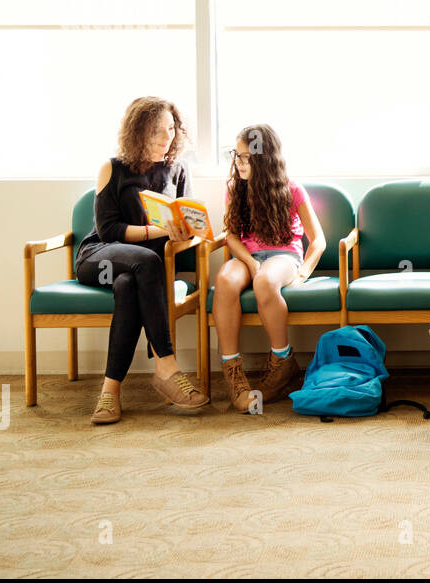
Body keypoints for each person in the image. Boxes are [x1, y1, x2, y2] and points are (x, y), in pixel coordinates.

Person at [76, 97, 210, 424]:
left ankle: (109, 392)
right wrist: (155, 231)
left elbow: (183, 223)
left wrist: (184, 233)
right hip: (100, 256)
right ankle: (166, 365)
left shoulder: (178, 169)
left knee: (128, 284)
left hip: (140, 270)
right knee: (142, 265)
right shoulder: (113, 168)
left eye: (170, 130)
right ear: (137, 134)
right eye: (156, 133)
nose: (166, 139)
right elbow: (108, 230)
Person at [211, 124, 324, 412]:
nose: (239, 163)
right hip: (247, 257)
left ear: (265, 158)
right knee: (224, 280)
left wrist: (304, 272)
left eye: (246, 157)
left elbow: (318, 240)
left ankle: (282, 360)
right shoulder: (235, 189)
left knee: (264, 282)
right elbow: (232, 236)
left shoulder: (291, 188)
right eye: (236, 155)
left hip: (283, 256)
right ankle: (233, 372)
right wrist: (249, 262)